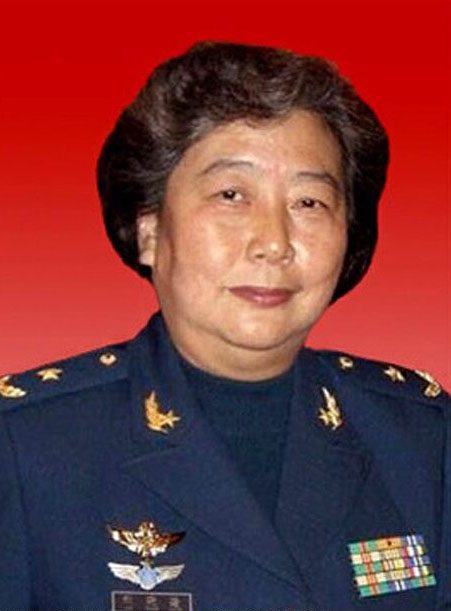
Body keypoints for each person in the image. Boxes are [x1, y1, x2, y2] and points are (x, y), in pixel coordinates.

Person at [0, 42, 449, 611]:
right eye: (231, 195)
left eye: (309, 203)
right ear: (150, 231)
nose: (275, 242)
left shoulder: (421, 438)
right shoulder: (25, 447)